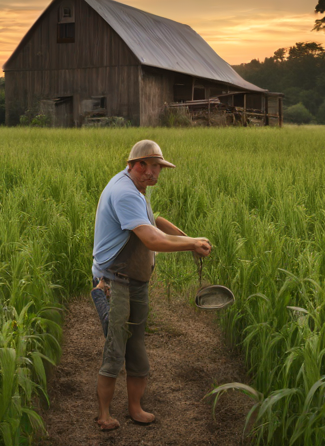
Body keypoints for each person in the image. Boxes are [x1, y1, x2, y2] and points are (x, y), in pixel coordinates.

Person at [91, 139, 212, 431]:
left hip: (136, 280)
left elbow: (153, 221)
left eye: (156, 166)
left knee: (137, 346)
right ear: (132, 164)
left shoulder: (138, 189)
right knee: (115, 347)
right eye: (145, 165)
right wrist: (190, 243)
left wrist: (186, 236)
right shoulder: (124, 192)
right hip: (115, 280)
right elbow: (151, 239)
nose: (151, 172)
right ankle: (104, 415)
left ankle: (135, 408)